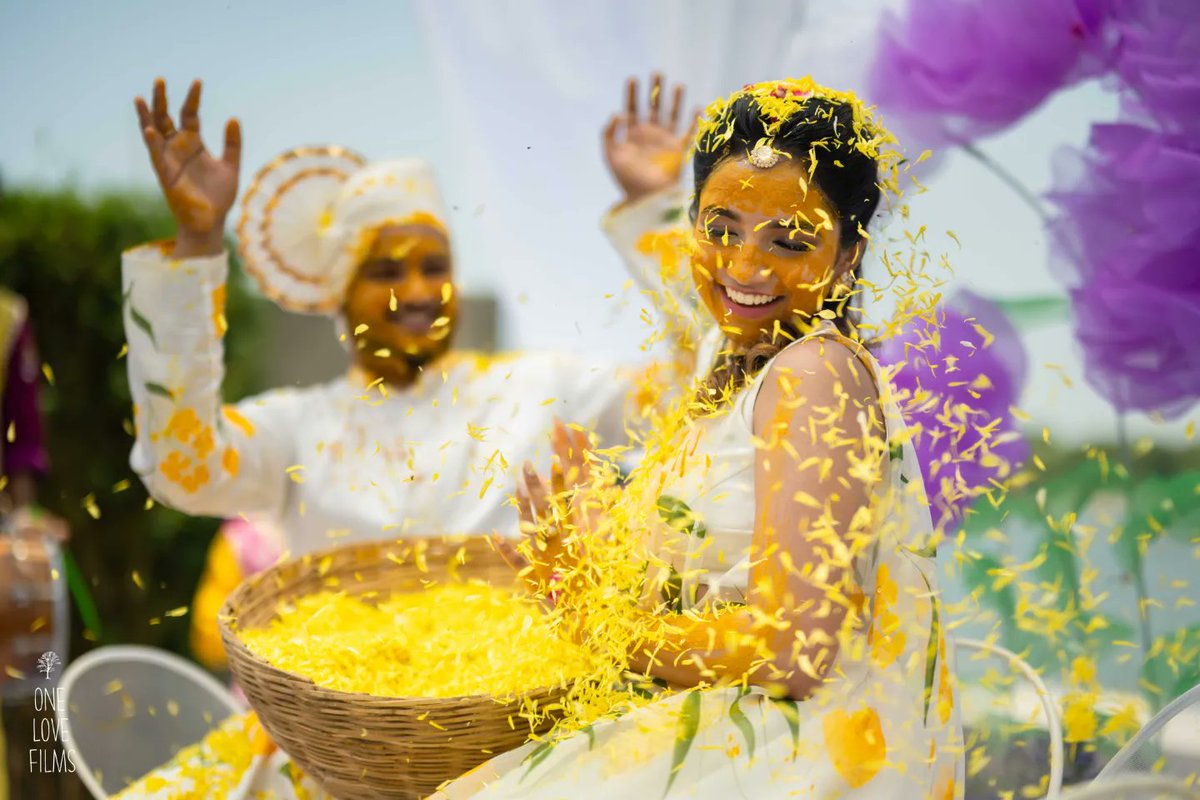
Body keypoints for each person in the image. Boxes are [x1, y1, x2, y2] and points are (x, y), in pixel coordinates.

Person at [436, 77, 965, 799]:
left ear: (847, 255)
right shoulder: (742, 360)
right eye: (720, 229)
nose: (745, 266)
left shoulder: (813, 374)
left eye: (790, 240)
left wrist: (600, 621)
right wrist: (601, 551)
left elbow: (794, 650)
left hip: (792, 756)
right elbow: (709, 299)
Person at [123, 78, 635, 562]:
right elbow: (180, 469)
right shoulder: (296, 430)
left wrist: (654, 209)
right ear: (340, 294)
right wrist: (197, 244)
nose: (416, 292)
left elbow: (694, 395)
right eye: (386, 271)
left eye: (434, 268)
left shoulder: (541, 390)